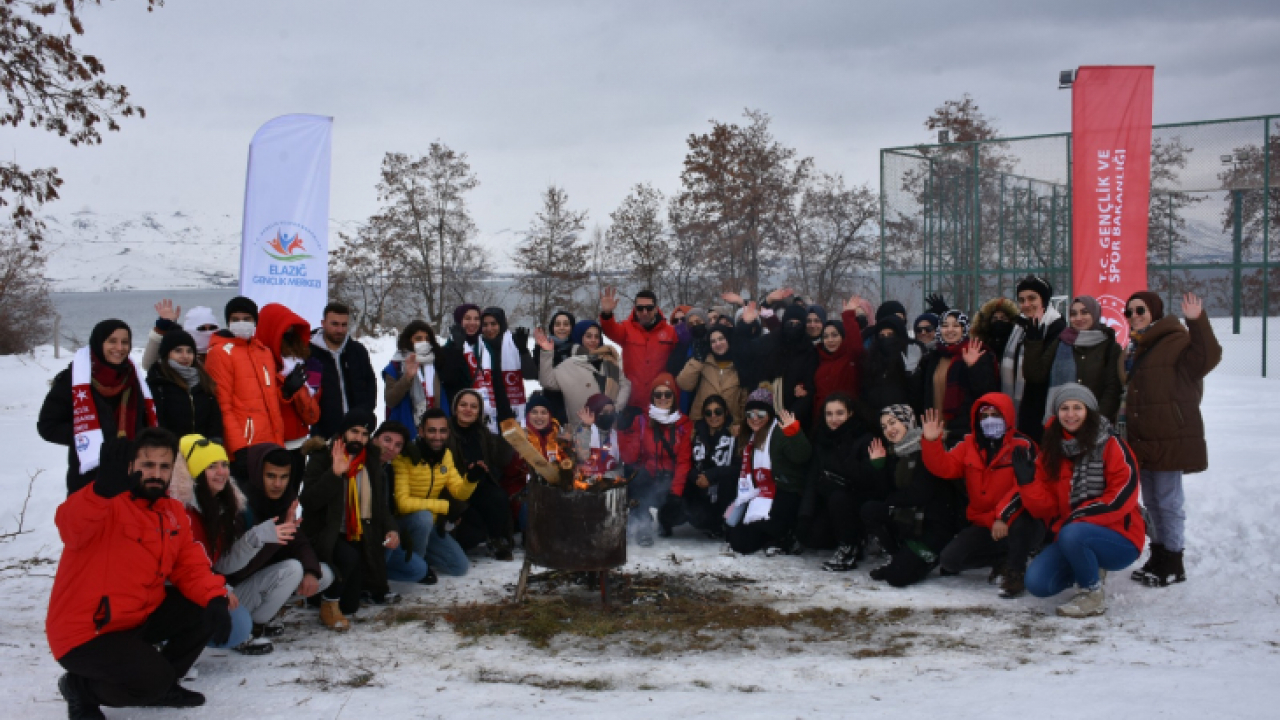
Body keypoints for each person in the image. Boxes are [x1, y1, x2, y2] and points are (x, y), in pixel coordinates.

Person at [49, 428, 232, 715]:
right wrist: (99, 492)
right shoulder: (104, 503)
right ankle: (80, 687)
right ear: (131, 466)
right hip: (88, 632)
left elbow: (190, 565)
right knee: (151, 680)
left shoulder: (172, 512)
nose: (156, 474)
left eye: (164, 466)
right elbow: (69, 528)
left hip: (136, 619)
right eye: (148, 465)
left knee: (201, 608)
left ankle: (163, 685)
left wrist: (215, 598)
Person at [173, 434, 318, 656]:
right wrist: (264, 538)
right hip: (199, 588)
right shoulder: (188, 511)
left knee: (314, 573)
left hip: (223, 582)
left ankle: (254, 624)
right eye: (212, 466)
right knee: (238, 625)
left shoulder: (226, 502)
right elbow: (216, 567)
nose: (222, 472)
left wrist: (310, 569)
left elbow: (225, 562)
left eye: (223, 464)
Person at [1018, 384, 1145, 617]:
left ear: (1089, 411)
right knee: (1038, 583)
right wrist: (1027, 483)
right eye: (1064, 408)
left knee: (1074, 533)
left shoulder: (1112, 444)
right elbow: (1045, 508)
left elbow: (1123, 496)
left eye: (1078, 407)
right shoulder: (1052, 450)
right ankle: (1089, 566)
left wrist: (1077, 519)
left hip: (1119, 537)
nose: (1071, 414)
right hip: (1072, 536)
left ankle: (1091, 593)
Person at [1121, 291, 1221, 587]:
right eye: (1129, 312)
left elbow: (1207, 357)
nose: (1134, 315)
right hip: (1143, 435)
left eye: (1140, 310)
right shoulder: (1134, 347)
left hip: (1168, 434)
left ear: (1154, 311)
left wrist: (1197, 321)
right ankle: (1159, 554)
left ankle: (1174, 560)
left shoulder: (1175, 340)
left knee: (1168, 500)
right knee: (1151, 500)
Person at [920, 394, 1046, 598]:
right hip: (984, 521)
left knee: (1022, 525)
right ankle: (1001, 559)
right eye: (984, 415)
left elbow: (1026, 487)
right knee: (949, 560)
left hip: (1018, 518)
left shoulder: (1023, 445)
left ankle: (1015, 572)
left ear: (1007, 416)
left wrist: (1003, 516)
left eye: (995, 414)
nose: (989, 420)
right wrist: (932, 441)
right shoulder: (970, 444)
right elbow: (945, 468)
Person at [300, 411, 400, 629]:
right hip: (325, 532)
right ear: (343, 432)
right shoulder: (321, 457)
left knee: (351, 606)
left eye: (365, 434)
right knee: (348, 556)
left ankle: (320, 595)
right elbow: (308, 501)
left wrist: (392, 529)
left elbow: (380, 506)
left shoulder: (371, 460)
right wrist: (334, 475)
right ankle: (328, 604)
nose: (359, 438)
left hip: (357, 532)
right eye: (354, 431)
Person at [39, 319, 157, 494]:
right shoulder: (74, 380)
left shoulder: (134, 380)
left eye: (125, 342)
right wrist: (90, 436)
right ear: (98, 342)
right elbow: (48, 426)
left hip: (132, 473)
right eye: (112, 341)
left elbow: (146, 424)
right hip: (90, 478)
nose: (119, 348)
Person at [233, 442, 332, 632]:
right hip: (232, 591)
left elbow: (299, 541)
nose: (278, 484)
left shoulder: (285, 500)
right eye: (271, 476)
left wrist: (311, 572)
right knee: (292, 570)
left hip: (263, 578)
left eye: (284, 477)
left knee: (323, 573)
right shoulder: (240, 505)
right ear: (257, 473)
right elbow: (235, 567)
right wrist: (276, 537)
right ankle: (253, 625)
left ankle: (264, 615)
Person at [863, 405, 962, 588]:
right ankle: (899, 555)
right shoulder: (897, 453)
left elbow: (920, 493)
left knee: (896, 577)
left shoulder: (928, 448)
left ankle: (929, 558)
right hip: (911, 522)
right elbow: (886, 493)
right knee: (870, 509)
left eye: (893, 423)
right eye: (884, 426)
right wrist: (879, 466)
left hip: (934, 526)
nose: (889, 430)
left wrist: (891, 501)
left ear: (907, 421)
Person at [801, 394, 887, 572]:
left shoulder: (866, 438)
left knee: (839, 497)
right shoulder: (822, 438)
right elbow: (812, 477)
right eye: (829, 414)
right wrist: (805, 514)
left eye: (840, 413)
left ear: (851, 413)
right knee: (812, 537)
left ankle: (850, 546)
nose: (834, 419)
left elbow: (872, 482)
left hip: (857, 501)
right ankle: (844, 537)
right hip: (830, 503)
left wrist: (844, 455)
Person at [723, 389, 812, 556]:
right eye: (750, 414)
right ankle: (768, 534)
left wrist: (794, 433)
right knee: (738, 540)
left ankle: (784, 536)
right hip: (759, 493)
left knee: (753, 536)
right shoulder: (750, 437)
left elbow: (803, 456)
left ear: (770, 414)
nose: (755, 418)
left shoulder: (779, 431)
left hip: (785, 493)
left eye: (761, 413)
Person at [393, 409, 476, 577]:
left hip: (428, 525)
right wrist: (443, 507)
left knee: (459, 567)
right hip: (402, 523)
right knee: (423, 517)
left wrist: (471, 480)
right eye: (432, 430)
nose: (437, 436)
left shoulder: (446, 455)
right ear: (421, 431)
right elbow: (402, 503)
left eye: (442, 431)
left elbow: (460, 492)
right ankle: (415, 566)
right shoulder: (405, 456)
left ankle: (413, 555)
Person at [618, 373, 694, 545]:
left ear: (674, 397)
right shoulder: (642, 421)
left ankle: (665, 520)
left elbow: (683, 462)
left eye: (667, 394)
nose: (662, 398)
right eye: (658, 394)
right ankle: (642, 525)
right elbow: (629, 457)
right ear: (652, 397)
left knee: (677, 511)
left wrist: (676, 493)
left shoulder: (684, 425)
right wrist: (625, 432)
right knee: (633, 476)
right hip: (648, 477)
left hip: (670, 480)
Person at [204, 296, 285, 456]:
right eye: (235, 319)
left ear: (255, 321)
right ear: (228, 322)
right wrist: (238, 448)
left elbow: (270, 400)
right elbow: (223, 406)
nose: (241, 323)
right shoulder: (220, 352)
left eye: (246, 319)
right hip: (245, 446)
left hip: (271, 443)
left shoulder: (264, 352)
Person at [1023, 295, 1123, 422]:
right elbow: (1036, 375)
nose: (1078, 318)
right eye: (1073, 314)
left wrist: (1096, 421)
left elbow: (1112, 390)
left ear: (1095, 314)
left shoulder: (1110, 347)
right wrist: (1034, 342)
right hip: (1063, 423)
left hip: (1095, 425)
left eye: (1084, 312)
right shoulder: (1061, 342)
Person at [446, 389, 519, 559]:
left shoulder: (482, 432)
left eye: (473, 406)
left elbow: (500, 457)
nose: (468, 409)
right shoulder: (445, 431)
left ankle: (496, 539)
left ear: (479, 411)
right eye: (463, 405)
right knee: (471, 535)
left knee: (498, 496)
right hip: (454, 489)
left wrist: (511, 439)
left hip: (480, 486)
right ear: (455, 408)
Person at [912, 309, 999, 442]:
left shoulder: (977, 353)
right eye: (945, 325)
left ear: (964, 328)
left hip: (963, 432)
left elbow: (987, 393)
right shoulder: (933, 357)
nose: (950, 330)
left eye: (956, 325)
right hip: (935, 430)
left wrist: (973, 367)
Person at [735, 301, 819, 430]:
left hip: (793, 421)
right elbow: (744, 351)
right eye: (790, 323)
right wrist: (745, 325)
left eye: (798, 324)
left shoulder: (809, 351)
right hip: (764, 416)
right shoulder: (770, 342)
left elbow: (809, 390)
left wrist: (788, 418)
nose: (793, 327)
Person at [1001, 275, 1065, 442]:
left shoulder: (1056, 326)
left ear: (1044, 299)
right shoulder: (1020, 326)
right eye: (1021, 300)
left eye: (1032, 298)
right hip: (1021, 405)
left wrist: (1035, 341)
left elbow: (1039, 374)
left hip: (1041, 407)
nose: (1026, 304)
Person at [383, 320, 469, 438]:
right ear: (408, 341)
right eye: (418, 339)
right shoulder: (396, 366)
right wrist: (407, 377)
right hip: (406, 428)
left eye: (427, 339)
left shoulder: (437, 363)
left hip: (436, 431)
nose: (424, 342)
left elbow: (453, 377)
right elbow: (390, 400)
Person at [257, 303, 323, 456]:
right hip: (271, 444)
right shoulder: (258, 364)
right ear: (270, 332)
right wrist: (285, 392)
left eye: (292, 331)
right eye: (283, 332)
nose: (289, 336)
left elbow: (313, 415)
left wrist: (311, 388)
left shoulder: (301, 364)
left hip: (299, 442)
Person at [599, 287, 678, 412]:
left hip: (659, 400)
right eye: (640, 308)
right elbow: (611, 331)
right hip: (632, 400)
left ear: (656, 309)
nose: (645, 312)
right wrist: (607, 314)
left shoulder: (670, 332)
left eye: (649, 308)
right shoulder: (627, 328)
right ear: (635, 309)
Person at [373, 421, 432, 584]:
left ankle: (379, 571)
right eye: (387, 440)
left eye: (398, 445)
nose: (391, 448)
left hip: (389, 527)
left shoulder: (389, 470)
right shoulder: (362, 466)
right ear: (374, 439)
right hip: (367, 531)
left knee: (419, 570)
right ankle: (371, 579)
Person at [536, 320, 631, 421]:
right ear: (579, 337)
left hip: (608, 426)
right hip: (581, 428)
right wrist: (546, 352)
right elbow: (547, 382)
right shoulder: (569, 365)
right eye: (588, 336)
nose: (593, 340)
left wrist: (616, 409)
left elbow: (625, 384)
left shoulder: (609, 360)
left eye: (597, 336)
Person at [310, 302, 378, 440]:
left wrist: (366, 414)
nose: (340, 330)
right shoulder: (309, 353)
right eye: (334, 324)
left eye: (344, 325)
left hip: (357, 432)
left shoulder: (357, 351)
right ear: (323, 323)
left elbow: (370, 385)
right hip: (324, 434)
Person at [144, 329, 222, 442]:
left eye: (189, 351)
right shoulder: (157, 383)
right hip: (169, 451)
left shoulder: (204, 381)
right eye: (178, 351)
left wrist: (214, 443)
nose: (185, 356)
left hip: (202, 450)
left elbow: (214, 421)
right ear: (167, 354)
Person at [682, 395, 738, 537]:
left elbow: (739, 468)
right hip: (701, 488)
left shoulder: (735, 434)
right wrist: (696, 476)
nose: (713, 416)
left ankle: (724, 522)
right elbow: (686, 462)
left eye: (718, 412)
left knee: (729, 480)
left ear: (726, 413)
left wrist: (712, 475)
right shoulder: (696, 433)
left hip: (726, 491)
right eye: (708, 413)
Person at [676, 325, 746, 433]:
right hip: (701, 425)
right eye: (713, 341)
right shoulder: (703, 362)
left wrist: (741, 424)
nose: (718, 344)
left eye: (721, 339)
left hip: (730, 428)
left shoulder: (739, 365)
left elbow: (743, 400)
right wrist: (697, 360)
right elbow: (684, 384)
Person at [811, 297, 867, 428]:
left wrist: (848, 316)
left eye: (835, 335)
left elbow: (856, 346)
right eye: (826, 336)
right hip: (822, 421)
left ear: (843, 337)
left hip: (848, 420)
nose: (830, 340)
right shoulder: (819, 358)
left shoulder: (850, 357)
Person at [140, 299, 221, 370]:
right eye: (201, 328)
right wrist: (162, 329)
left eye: (212, 328)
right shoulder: (179, 354)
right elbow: (149, 365)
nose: (207, 332)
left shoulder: (222, 352)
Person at [531, 310, 577, 423]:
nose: (562, 328)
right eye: (558, 324)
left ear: (572, 327)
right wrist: (539, 349)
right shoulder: (543, 347)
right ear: (552, 327)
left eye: (566, 324)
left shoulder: (578, 348)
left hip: (574, 406)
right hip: (552, 405)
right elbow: (535, 374)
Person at [970, 297, 1019, 362]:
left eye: (1003, 318)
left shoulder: (1017, 344)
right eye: (995, 318)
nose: (999, 321)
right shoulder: (981, 346)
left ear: (1011, 321)